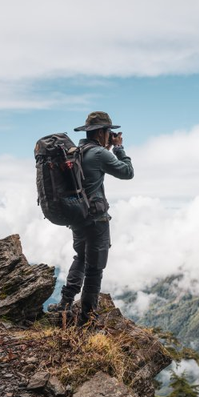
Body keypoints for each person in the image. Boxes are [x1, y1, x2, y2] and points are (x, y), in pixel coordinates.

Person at [48, 111, 134, 324]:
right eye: (109, 132)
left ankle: (65, 303)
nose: (111, 136)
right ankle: (87, 315)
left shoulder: (77, 152)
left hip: (77, 215)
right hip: (97, 218)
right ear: (102, 132)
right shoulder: (99, 154)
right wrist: (119, 148)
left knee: (81, 257)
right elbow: (128, 172)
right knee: (95, 267)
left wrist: (107, 147)